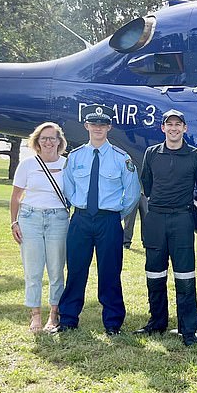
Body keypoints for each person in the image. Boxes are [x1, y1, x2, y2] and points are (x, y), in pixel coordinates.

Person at [57, 104, 140, 335]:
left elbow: (132, 193)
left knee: (110, 272)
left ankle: (113, 323)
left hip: (108, 222)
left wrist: (115, 215)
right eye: (94, 124)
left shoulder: (121, 158)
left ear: (109, 127)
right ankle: (68, 319)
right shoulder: (75, 157)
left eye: (102, 125)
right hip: (81, 220)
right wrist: (79, 206)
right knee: (75, 271)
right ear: (86, 126)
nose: (98, 128)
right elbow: (69, 187)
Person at [135, 109, 197, 346]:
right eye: (170, 125)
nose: (174, 128)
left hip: (181, 219)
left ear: (185, 129)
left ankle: (188, 330)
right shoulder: (151, 153)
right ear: (163, 128)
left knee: (185, 275)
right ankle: (157, 322)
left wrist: (194, 211)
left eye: (178, 125)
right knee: (154, 273)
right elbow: (146, 182)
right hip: (156, 218)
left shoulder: (195, 155)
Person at [10, 122, 69, 333]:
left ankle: (54, 315)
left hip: (58, 219)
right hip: (30, 218)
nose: (48, 142)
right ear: (36, 141)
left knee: (56, 270)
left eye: (52, 138)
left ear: (59, 141)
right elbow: (16, 197)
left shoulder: (67, 165)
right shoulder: (27, 165)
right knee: (33, 270)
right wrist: (14, 222)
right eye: (43, 138)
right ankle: (35, 315)